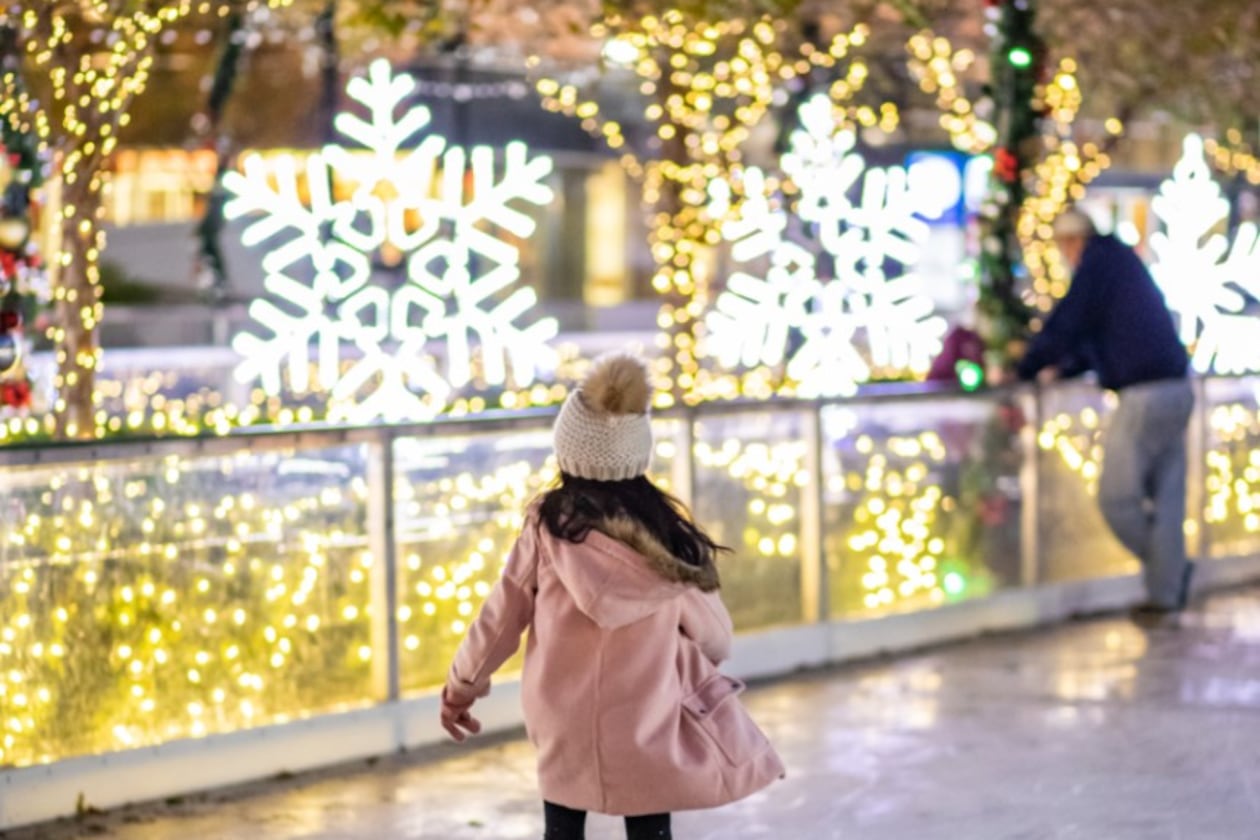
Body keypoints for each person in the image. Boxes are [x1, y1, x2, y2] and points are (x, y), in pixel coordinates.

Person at [440, 353, 784, 840]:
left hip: (562, 721)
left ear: (568, 451)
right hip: (646, 719)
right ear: (637, 453)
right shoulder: (664, 542)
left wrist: (462, 686)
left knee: (561, 832)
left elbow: (501, 618)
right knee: (649, 830)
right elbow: (716, 639)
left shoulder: (547, 526)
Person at [1017, 209, 1195, 618]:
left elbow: (1068, 323)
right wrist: (1063, 367)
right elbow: (1099, 335)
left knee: (1117, 498)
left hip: (1146, 394)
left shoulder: (1099, 264)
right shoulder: (1119, 264)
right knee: (1168, 499)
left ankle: (1167, 571)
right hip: (1176, 387)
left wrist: (1024, 366)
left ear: (1071, 242)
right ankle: (1166, 591)